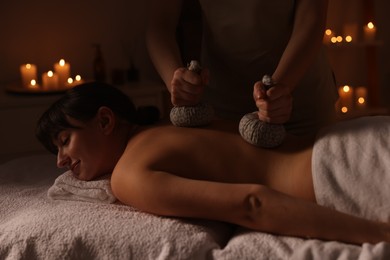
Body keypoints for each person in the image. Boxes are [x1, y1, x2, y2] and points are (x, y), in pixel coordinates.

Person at [36, 82, 389, 245]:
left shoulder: (129, 175)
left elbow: (251, 203)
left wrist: (379, 235)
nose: (60, 161)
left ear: (105, 121)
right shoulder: (177, 122)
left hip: (343, 173)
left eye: (65, 140)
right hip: (359, 138)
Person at [146, 0, 338, 136]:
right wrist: (175, 79)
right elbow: (159, 23)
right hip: (221, 108)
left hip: (300, 102)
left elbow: (310, 20)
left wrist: (281, 88)